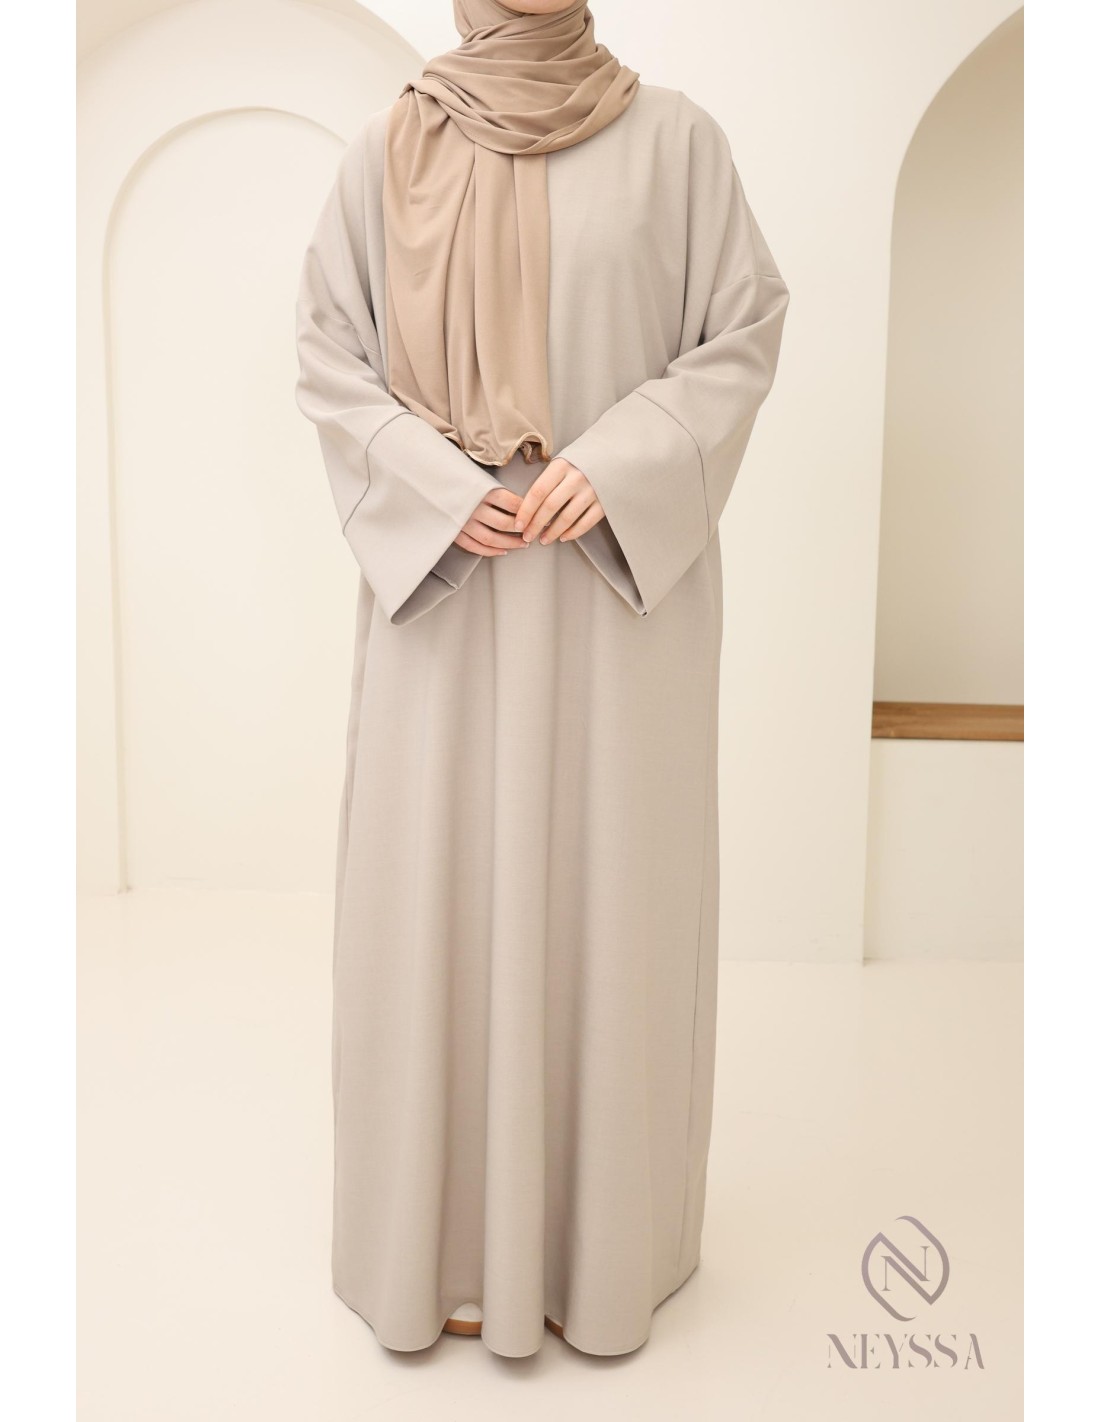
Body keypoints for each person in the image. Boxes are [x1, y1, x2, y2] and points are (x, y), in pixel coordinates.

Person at [294, 0, 789, 1359]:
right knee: (430, 897)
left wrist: (618, 464)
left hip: (614, 610)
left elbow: (742, 332)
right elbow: (330, 360)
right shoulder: (386, 151)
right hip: (448, 603)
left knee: (614, 899)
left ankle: (597, 1248)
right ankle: (435, 1247)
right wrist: (439, 487)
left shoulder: (678, 144)